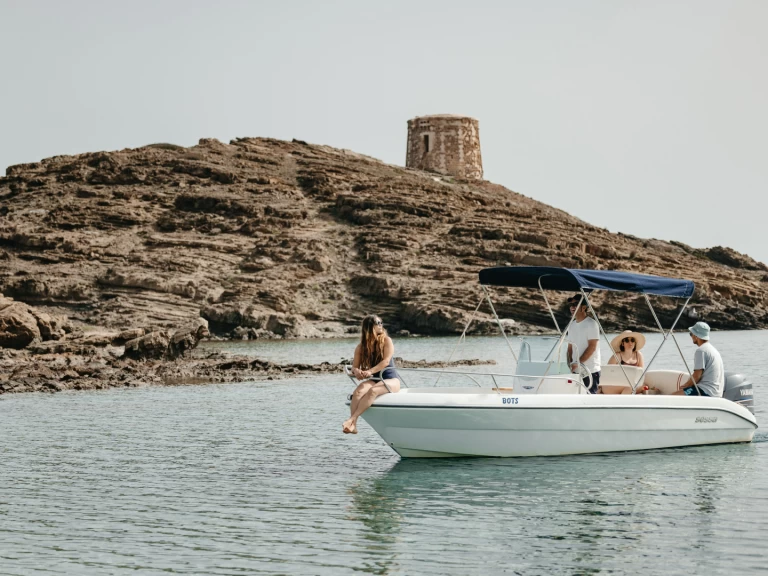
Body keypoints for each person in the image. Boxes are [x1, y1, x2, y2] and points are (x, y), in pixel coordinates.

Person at [343, 315, 401, 434]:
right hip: (375, 379)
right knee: (358, 392)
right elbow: (355, 366)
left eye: (381, 322)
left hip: (391, 379)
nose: (381, 325)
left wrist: (369, 371)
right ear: (370, 327)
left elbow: (385, 361)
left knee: (373, 391)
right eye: (378, 322)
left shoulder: (386, 340)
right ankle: (353, 426)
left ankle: (351, 420)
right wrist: (357, 371)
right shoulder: (361, 347)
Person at [673, 321, 724, 397]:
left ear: (696, 336)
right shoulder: (713, 350)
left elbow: (697, 376)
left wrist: (685, 386)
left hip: (705, 391)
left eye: (691, 334)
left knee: (672, 397)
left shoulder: (701, 351)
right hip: (716, 392)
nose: (691, 337)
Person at [565, 294, 601, 393]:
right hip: (575, 370)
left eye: (576, 304)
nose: (572, 306)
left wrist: (577, 363)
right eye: (571, 304)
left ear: (584, 307)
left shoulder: (592, 324)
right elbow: (569, 348)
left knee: (590, 400)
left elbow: (592, 347)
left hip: (590, 370)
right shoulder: (571, 325)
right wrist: (569, 365)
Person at [601, 330, 646, 394]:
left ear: (635, 343)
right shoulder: (617, 356)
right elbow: (608, 374)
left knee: (644, 386)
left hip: (631, 384)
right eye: (627, 340)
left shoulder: (638, 355)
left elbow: (640, 374)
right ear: (622, 343)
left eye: (632, 340)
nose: (630, 343)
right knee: (630, 387)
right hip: (612, 385)